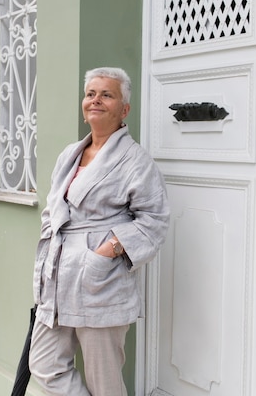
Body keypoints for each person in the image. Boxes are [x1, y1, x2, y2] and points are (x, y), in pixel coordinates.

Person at [28, 67, 170, 395]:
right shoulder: (70, 154)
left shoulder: (136, 161)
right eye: (91, 93)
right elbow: (54, 207)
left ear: (124, 109)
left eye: (106, 94)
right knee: (45, 363)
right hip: (58, 276)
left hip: (99, 282)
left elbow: (155, 219)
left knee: (104, 382)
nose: (96, 100)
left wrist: (106, 252)